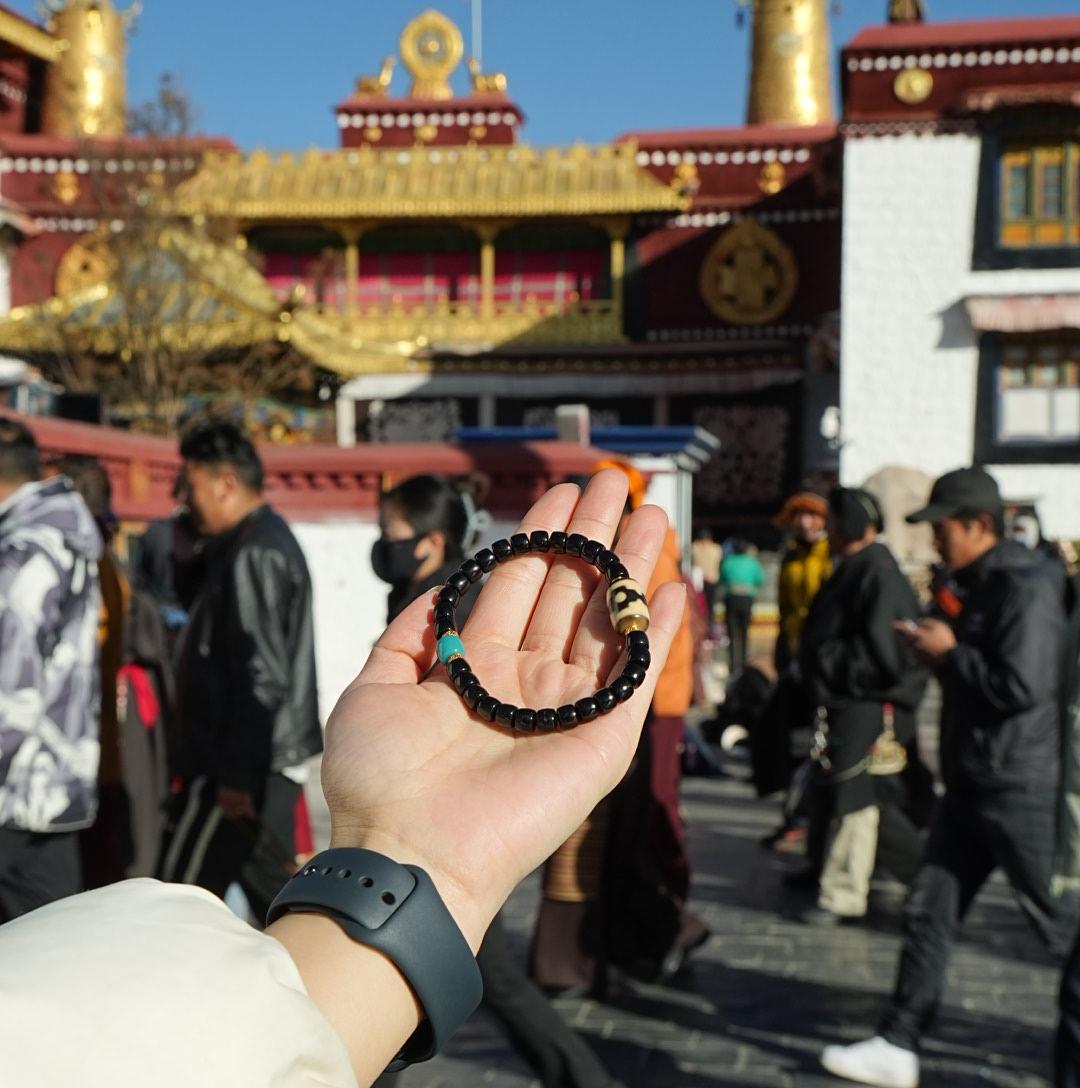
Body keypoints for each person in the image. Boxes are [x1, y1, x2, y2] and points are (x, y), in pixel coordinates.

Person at [0, 469, 686, 1088]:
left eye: (392, 532)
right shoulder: (438, 601)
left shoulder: (439, 598)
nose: (384, 543)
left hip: (294, 816)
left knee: (494, 977)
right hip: (394, 862)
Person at [822, 467, 1075, 1088]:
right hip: (972, 781)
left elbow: (1023, 686)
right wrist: (940, 651)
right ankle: (898, 1040)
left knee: (1059, 921)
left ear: (979, 525)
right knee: (929, 908)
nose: (935, 541)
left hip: (1018, 784)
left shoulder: (1027, 585)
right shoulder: (976, 582)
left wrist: (949, 653)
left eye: (943, 529)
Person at [373, 472, 619, 1088]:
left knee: (473, 972)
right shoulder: (421, 592)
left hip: (459, 809)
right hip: (416, 807)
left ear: (431, 539)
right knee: (425, 964)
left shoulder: (457, 596)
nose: (384, 544)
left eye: (391, 533)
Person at [158, 420, 322, 924]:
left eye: (192, 485)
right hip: (246, 759)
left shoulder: (256, 552)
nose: (185, 499)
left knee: (177, 897)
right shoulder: (244, 544)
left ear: (225, 483)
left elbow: (262, 674)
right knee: (272, 898)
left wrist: (236, 777)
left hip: (243, 764)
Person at [796, 487, 926, 925]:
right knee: (834, 788)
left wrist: (829, 663)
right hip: (845, 700)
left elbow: (884, 655)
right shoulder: (857, 566)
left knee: (857, 798)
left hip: (867, 703)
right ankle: (822, 870)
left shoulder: (878, 571)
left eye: (832, 520)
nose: (826, 529)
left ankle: (844, 892)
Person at [0, 419, 102, 920]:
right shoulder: (63, 538)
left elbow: (9, 692)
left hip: (15, 790)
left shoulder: (21, 556)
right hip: (53, 781)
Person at [756, 490, 832, 843]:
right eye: (798, 515)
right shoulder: (791, 557)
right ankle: (795, 813)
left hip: (824, 657)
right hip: (796, 656)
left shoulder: (831, 555)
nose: (805, 522)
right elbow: (787, 609)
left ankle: (809, 817)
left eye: (812, 515)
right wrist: (782, 654)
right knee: (792, 738)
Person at [719, 538, 764, 675]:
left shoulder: (728, 561)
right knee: (744, 632)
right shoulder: (752, 562)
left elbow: (722, 578)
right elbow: (760, 579)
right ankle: (744, 664)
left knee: (732, 633)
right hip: (747, 599)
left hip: (731, 598)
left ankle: (733, 666)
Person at [691, 526, 722, 619]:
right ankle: (709, 624)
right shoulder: (716, 549)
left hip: (698, 581)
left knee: (698, 605)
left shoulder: (694, 547)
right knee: (710, 605)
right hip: (712, 579)